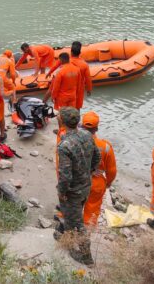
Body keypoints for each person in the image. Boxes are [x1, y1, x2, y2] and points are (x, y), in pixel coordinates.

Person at [56, 107, 100, 265]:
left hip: (73, 190)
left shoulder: (65, 145)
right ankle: (66, 238)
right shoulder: (87, 135)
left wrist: (62, 191)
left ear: (62, 121)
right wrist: (89, 171)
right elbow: (97, 156)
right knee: (72, 215)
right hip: (86, 186)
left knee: (77, 222)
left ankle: (86, 256)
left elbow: (65, 175)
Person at [80, 111, 117, 226]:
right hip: (96, 182)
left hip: (77, 180)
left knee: (73, 206)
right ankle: (86, 235)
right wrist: (108, 183)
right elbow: (111, 170)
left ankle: (67, 230)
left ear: (81, 126)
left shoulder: (73, 142)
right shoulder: (105, 147)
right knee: (92, 209)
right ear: (96, 128)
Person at [47, 41, 92, 109]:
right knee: (76, 108)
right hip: (77, 90)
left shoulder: (66, 60)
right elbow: (88, 79)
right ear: (80, 53)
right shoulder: (84, 65)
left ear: (71, 52)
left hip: (64, 89)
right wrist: (89, 89)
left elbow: (55, 66)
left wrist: (49, 73)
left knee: (61, 110)